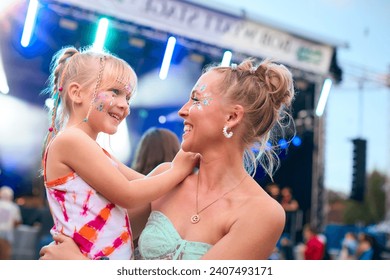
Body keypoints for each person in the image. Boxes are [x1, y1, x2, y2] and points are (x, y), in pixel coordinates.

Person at [40, 57, 295, 260]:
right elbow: (103, 239)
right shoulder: (165, 178)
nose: (182, 111)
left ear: (231, 118)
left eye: (195, 99)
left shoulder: (263, 213)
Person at [39, 46, 198, 260]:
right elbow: (129, 195)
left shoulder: (94, 149)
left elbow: (147, 187)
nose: (125, 106)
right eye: (115, 92)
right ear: (77, 93)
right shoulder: (71, 140)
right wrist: (178, 169)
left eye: (128, 98)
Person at [0, 186, 22, 259]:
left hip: (6, 233)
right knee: (5, 257)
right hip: (7, 234)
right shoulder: (14, 207)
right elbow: (17, 223)